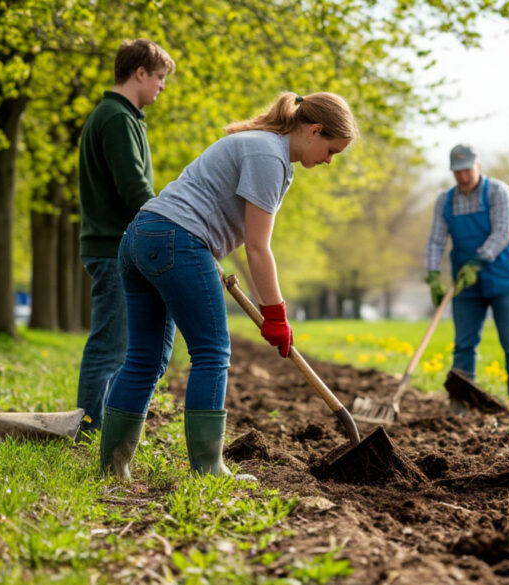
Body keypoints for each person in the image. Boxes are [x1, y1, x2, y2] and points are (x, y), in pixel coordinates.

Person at [99, 92, 358, 480]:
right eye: (331, 149)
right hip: (177, 239)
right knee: (211, 353)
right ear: (314, 130)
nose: (328, 160)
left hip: (140, 237)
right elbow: (257, 247)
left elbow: (229, 227)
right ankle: (208, 469)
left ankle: (111, 469)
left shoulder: (259, 145)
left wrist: (215, 261)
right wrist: (276, 314)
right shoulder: (269, 156)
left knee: (143, 359)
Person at [77, 39, 177, 433]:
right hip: (113, 248)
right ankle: (90, 432)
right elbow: (134, 187)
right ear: (140, 73)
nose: (162, 87)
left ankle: (106, 429)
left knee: (120, 348)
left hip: (118, 247)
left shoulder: (120, 117)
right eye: (160, 78)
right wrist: (168, 222)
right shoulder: (117, 118)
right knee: (109, 348)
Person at [425, 144, 509, 417]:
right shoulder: (445, 201)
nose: (462, 177)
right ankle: (460, 405)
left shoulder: (498, 192)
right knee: (463, 343)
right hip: (466, 283)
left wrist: (477, 261)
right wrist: (434, 275)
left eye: (467, 170)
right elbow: (436, 240)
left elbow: (502, 233)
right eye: (457, 171)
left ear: (478, 166)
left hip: (506, 276)